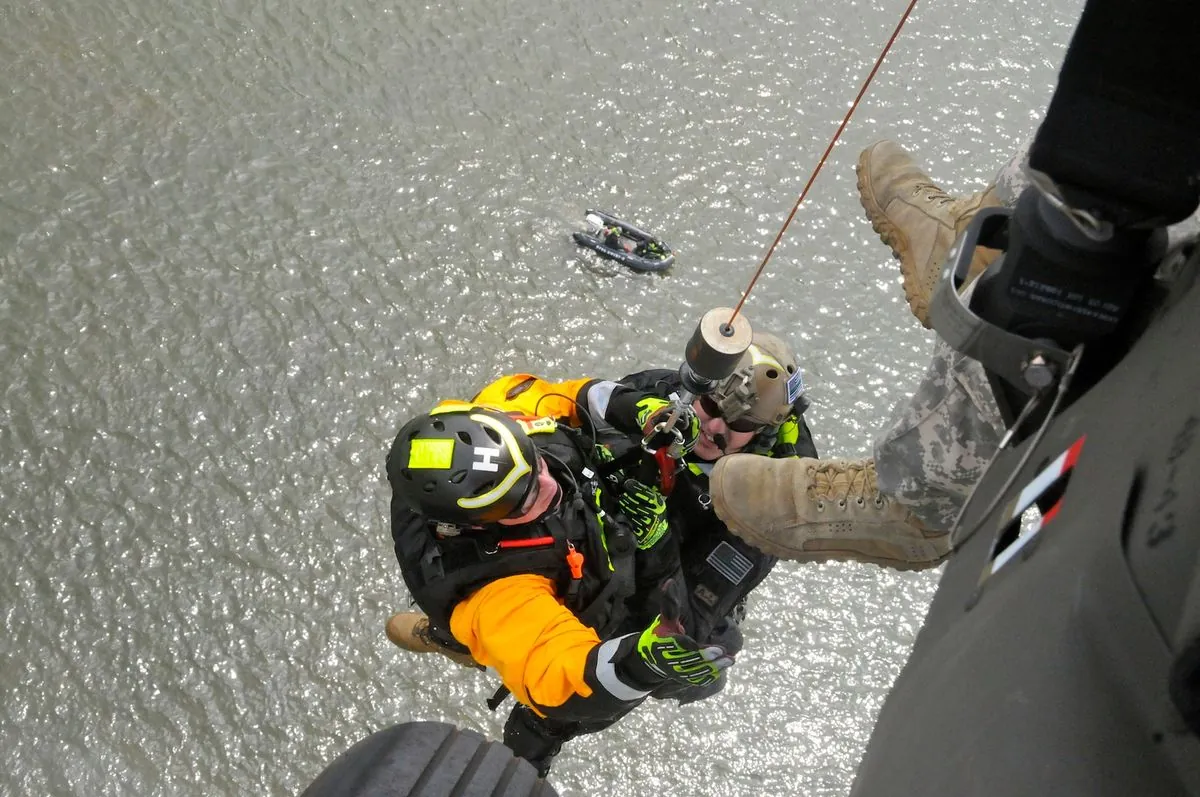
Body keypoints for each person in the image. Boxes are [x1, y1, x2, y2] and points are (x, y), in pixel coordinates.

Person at [709, 139, 1030, 556]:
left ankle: (925, 497)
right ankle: (978, 244)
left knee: (1017, 325)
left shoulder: (786, 448)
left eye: (741, 423)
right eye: (714, 407)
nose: (715, 428)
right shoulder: (667, 400)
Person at [385, 401, 734, 776]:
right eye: (525, 501)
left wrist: (641, 408)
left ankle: (449, 637)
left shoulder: (486, 430)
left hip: (574, 566)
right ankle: (515, 756)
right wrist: (637, 665)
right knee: (542, 718)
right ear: (477, 527)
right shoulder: (500, 592)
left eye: (535, 467)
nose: (551, 486)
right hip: (536, 620)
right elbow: (560, 675)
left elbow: (559, 394)